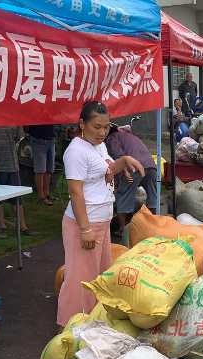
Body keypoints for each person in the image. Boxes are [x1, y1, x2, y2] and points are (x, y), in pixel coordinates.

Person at [57, 101, 145, 326]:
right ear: (82, 124)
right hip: (85, 224)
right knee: (80, 281)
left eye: (106, 127)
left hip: (101, 220)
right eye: (97, 126)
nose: (102, 132)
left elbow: (106, 170)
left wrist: (123, 161)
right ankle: (68, 330)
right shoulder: (76, 151)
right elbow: (76, 193)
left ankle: (93, 323)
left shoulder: (99, 146)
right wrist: (85, 229)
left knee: (99, 275)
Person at [105, 123, 158, 234]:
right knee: (153, 196)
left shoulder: (112, 138)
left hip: (133, 168)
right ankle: (155, 225)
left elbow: (118, 156)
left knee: (123, 196)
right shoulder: (131, 136)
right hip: (151, 165)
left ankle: (123, 230)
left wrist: (125, 173)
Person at [0, 126, 31, 235]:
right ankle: (1, 226)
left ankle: (23, 226)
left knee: (17, 197)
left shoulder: (12, 117)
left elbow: (18, 138)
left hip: (11, 164)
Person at [26, 124, 57, 205]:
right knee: (40, 170)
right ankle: (41, 196)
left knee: (49, 169)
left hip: (51, 139)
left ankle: (47, 193)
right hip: (38, 139)